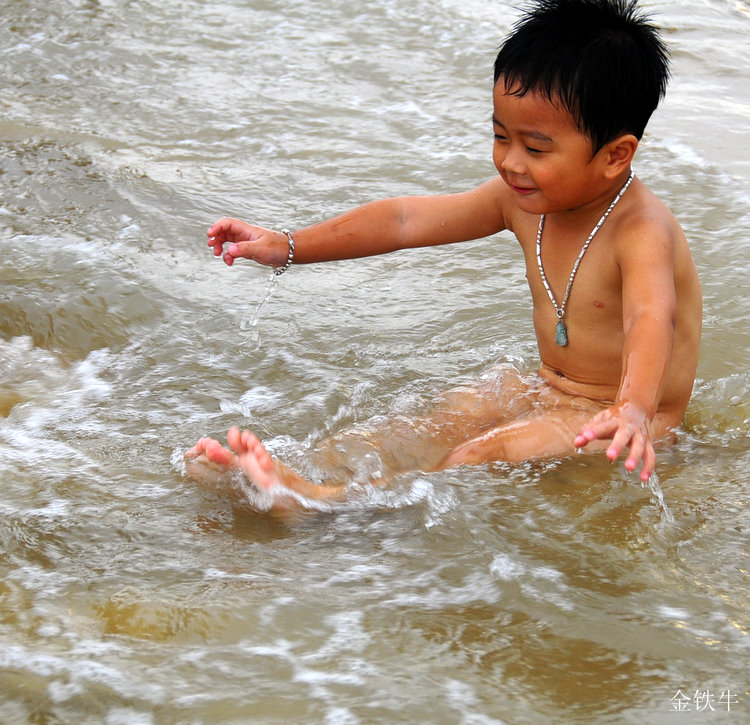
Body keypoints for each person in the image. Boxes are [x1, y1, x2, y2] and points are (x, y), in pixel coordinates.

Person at [184, 0, 702, 515]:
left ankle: (323, 506)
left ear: (616, 154)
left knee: (482, 451)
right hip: (546, 387)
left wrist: (633, 408)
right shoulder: (525, 203)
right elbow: (404, 221)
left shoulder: (641, 230)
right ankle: (293, 472)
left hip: (626, 424)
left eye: (536, 149)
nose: (510, 162)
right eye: (501, 136)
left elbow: (650, 315)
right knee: (431, 418)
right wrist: (288, 246)